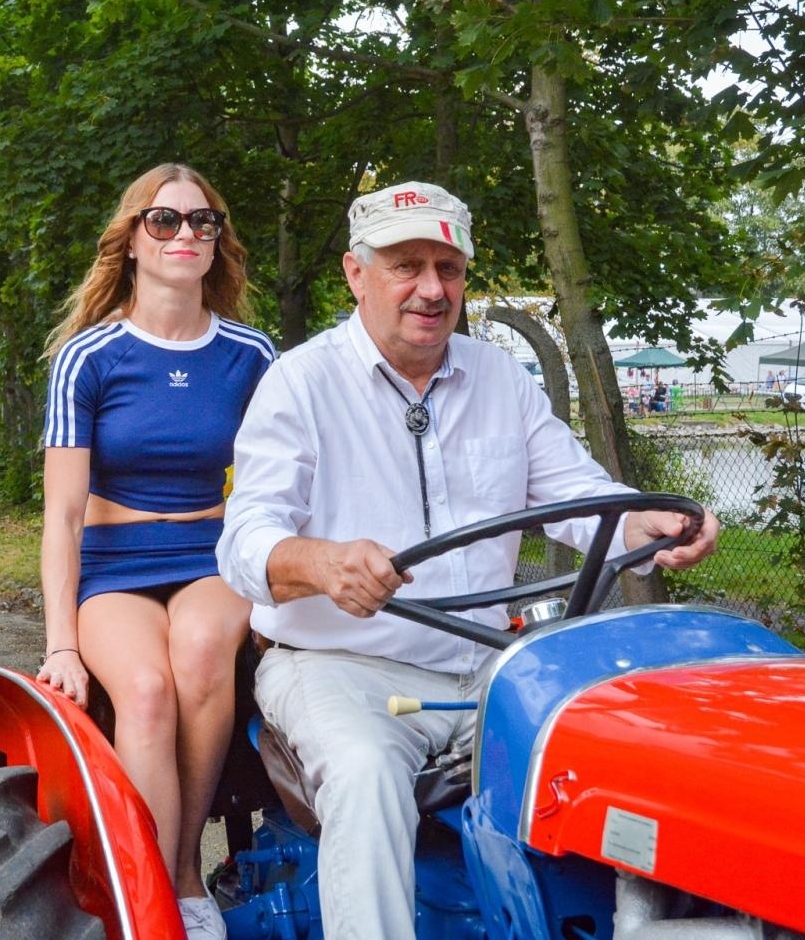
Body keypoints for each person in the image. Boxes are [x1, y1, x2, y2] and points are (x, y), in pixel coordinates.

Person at [217, 180, 720, 940]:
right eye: (405, 265)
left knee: (633, 741)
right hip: (340, 666)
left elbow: (581, 495)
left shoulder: (500, 380)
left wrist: (648, 519)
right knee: (363, 774)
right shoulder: (301, 382)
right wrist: (322, 563)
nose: (431, 288)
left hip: (493, 663)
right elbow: (245, 539)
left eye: (448, 268)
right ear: (357, 273)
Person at [35, 163, 274, 940]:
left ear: (217, 242)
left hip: (211, 551)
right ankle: (148, 900)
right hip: (112, 561)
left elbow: (281, 483)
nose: (184, 235)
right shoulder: (90, 357)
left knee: (204, 651)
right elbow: (64, 514)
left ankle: (182, 880)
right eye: (163, 221)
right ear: (132, 242)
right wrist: (61, 642)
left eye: (201, 222)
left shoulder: (250, 354)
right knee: (142, 690)